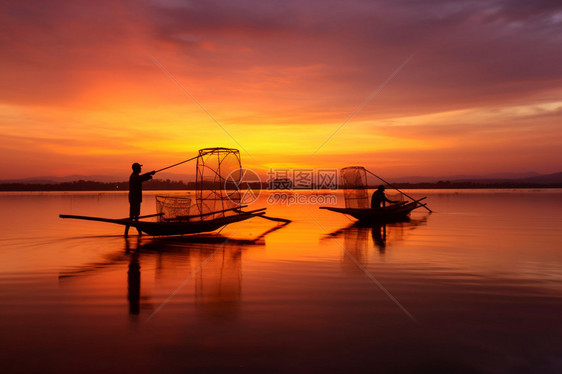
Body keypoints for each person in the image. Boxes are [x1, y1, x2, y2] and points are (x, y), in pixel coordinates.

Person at [125, 162, 155, 237]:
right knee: (133, 217)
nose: (141, 168)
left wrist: (149, 174)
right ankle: (131, 233)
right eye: (139, 167)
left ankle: (137, 233)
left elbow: (141, 178)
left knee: (135, 217)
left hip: (135, 199)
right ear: (136, 169)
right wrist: (149, 174)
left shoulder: (135, 176)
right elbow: (141, 178)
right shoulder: (134, 177)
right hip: (134, 199)